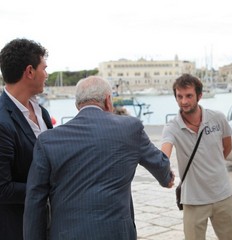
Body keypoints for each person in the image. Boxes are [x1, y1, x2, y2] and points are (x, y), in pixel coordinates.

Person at [23, 76, 175, 240]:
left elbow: (35, 201)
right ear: (108, 101)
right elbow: (160, 164)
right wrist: (166, 178)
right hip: (116, 233)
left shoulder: (48, 140)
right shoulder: (130, 128)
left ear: (77, 105)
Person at [161, 73, 232, 240]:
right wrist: (162, 168)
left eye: (189, 96)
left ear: (199, 96)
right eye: (179, 96)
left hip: (222, 195)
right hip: (193, 199)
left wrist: (212, 164)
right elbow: (164, 153)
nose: (184, 101)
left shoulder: (218, 118)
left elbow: (227, 147)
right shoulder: (172, 127)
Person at [0, 38, 53, 240]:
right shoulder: (2, 122)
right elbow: (2, 189)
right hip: (16, 228)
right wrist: (49, 188)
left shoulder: (42, 113)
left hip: (46, 223)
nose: (46, 75)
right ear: (30, 72)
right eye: (44, 68)